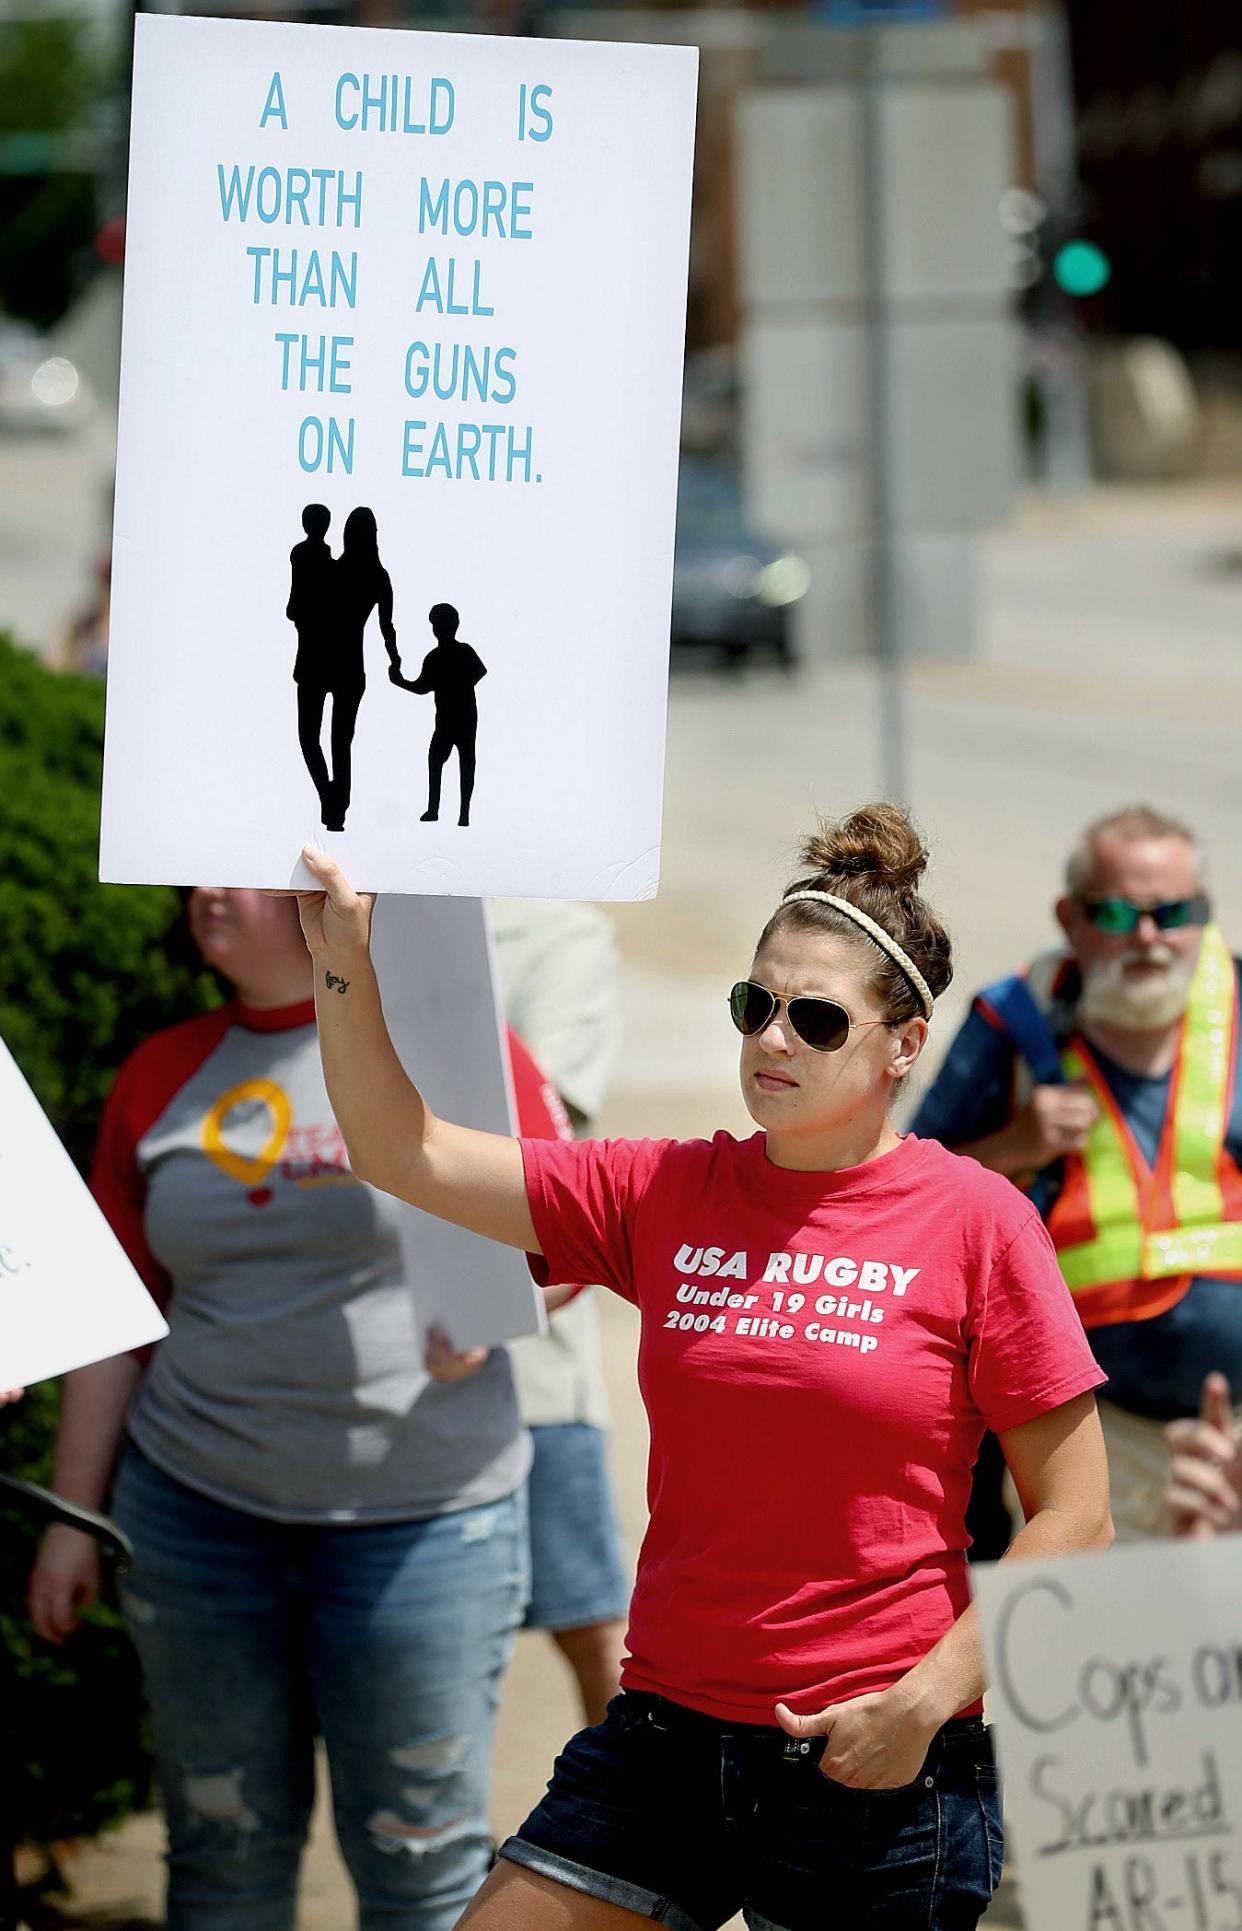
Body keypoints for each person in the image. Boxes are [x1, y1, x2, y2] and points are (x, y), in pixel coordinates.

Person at [296, 803, 1111, 1931]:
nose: (774, 1039)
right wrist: (342, 966)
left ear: (906, 1042)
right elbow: (404, 1149)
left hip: (876, 1756)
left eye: (816, 1018)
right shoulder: (666, 1188)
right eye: (755, 1005)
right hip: (666, 1737)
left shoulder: (977, 1221)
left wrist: (923, 1702)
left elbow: (1077, 1515)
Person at [27, 886, 570, 1931]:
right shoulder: (159, 1070)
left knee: (424, 1868)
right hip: (194, 1524)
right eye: (195, 874)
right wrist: (69, 1515)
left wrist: (503, 1308)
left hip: (426, 1528)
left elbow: (570, 1231)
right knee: (221, 1852)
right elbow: (115, 1315)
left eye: (239, 869)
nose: (209, 894)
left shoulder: (455, 1044)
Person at [913, 804, 1242, 1550]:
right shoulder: (1014, 1020)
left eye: (1175, 912)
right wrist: (1018, 1141)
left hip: (1236, 1444)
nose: (1149, 937)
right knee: (1094, 1658)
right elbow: (909, 1191)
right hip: (1085, 1436)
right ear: (1069, 915)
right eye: (1118, 911)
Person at [492, 899, 630, 1725]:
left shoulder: (554, 930)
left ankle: (643, 1842)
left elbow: (546, 1144)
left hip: (526, 1367)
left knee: (589, 1619)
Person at [293, 505, 400, 833]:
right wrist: (394, 660)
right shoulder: (379, 577)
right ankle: (335, 808)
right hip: (352, 667)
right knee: (341, 742)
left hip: (316, 663)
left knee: (310, 737)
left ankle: (330, 798)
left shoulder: (333, 569)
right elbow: (387, 628)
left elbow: (301, 608)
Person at [393, 604, 486, 828]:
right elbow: (477, 673)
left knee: (444, 760)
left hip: (452, 717)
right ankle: (454, 813)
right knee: (459, 761)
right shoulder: (460, 652)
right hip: (460, 716)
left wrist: (400, 681)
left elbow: (422, 687)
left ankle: (445, 811)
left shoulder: (437, 657)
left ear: (436, 628)